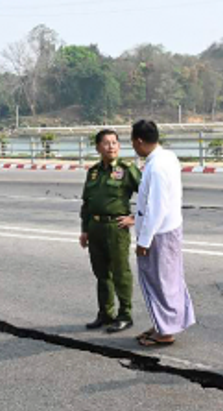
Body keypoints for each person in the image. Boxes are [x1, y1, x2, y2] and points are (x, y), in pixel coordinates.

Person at [130, 119, 195, 347]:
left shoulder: (156, 167)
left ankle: (165, 331)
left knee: (158, 282)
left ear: (139, 141)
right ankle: (163, 323)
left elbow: (156, 208)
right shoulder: (168, 157)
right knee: (171, 279)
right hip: (171, 228)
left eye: (133, 142)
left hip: (159, 234)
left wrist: (144, 240)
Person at [79, 129, 143, 333]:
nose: (111, 146)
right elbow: (87, 203)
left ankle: (125, 314)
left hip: (116, 228)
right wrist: (84, 230)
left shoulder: (127, 169)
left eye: (115, 142)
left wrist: (134, 218)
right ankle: (105, 314)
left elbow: (147, 194)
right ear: (98, 147)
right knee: (101, 274)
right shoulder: (94, 172)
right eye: (106, 143)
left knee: (120, 272)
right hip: (95, 227)